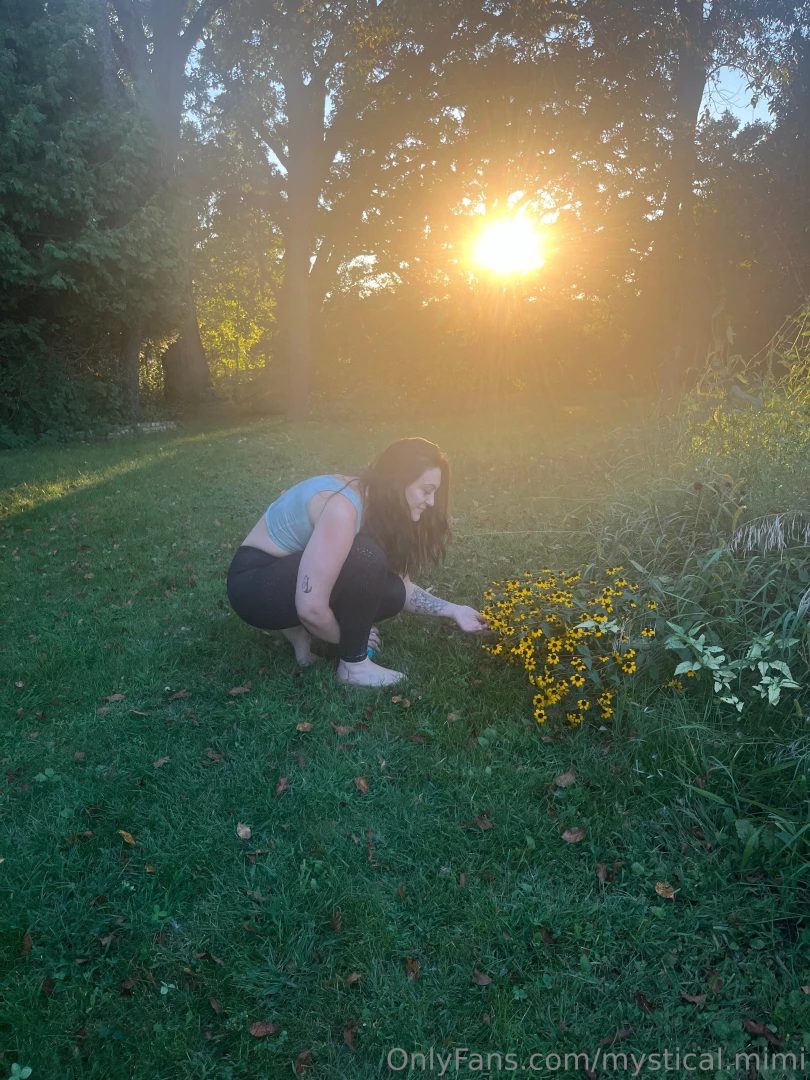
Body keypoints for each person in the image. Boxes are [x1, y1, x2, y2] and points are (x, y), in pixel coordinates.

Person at [226, 437, 488, 687]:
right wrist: (350, 639)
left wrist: (454, 610)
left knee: (392, 591)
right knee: (365, 555)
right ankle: (354, 667)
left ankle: (299, 635)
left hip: (286, 571)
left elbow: (404, 589)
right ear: (397, 483)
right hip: (253, 586)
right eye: (425, 491)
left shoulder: (378, 502)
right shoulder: (343, 508)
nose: (431, 502)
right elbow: (311, 607)